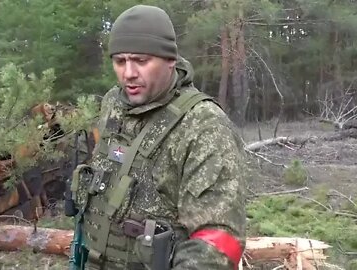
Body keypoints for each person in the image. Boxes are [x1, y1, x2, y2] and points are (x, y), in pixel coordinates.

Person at [68, 4, 248, 270]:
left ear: (170, 60)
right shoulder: (112, 105)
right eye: (120, 61)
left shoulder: (203, 125)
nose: (128, 73)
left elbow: (219, 238)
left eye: (141, 61)